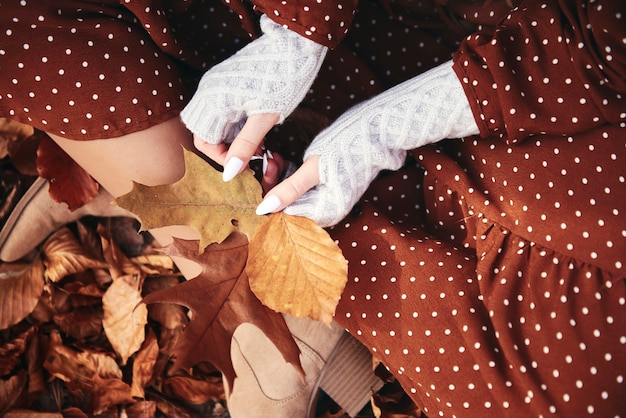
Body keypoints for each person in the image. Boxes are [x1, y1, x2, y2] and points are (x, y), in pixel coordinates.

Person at [1, 0, 624, 416]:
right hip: (532, 63)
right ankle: (152, 197)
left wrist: (384, 129)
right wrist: (299, 32)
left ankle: (146, 185)